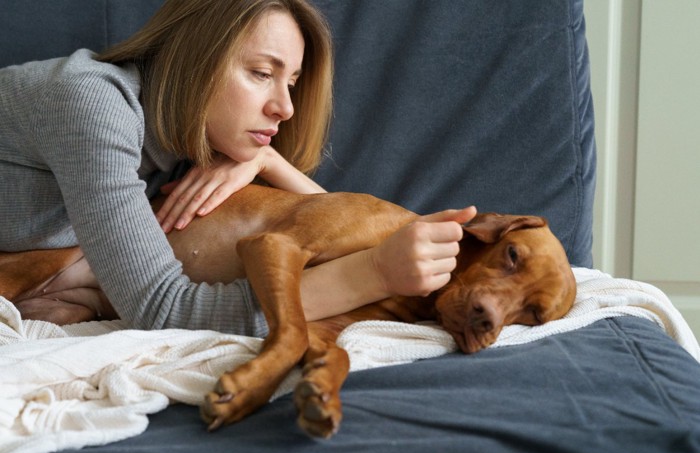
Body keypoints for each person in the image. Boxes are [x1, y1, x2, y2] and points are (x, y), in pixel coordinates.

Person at [0, 0, 475, 337]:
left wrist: (269, 161)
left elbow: (335, 225)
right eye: (262, 74)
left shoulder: (185, 147)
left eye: (290, 82)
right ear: (191, 59)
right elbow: (164, 310)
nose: (285, 108)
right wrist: (374, 273)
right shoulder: (93, 104)